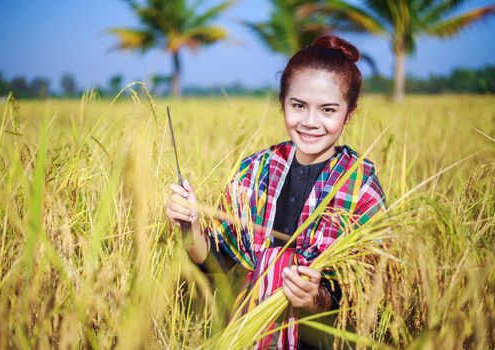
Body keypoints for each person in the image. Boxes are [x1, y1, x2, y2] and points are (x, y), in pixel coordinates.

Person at [165, 35, 386, 349]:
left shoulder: (360, 186)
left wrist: (314, 298)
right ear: (283, 103)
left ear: (348, 114)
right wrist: (191, 224)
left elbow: (364, 294)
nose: (310, 122)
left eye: (327, 110)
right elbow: (217, 263)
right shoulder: (254, 172)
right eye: (298, 106)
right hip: (245, 336)